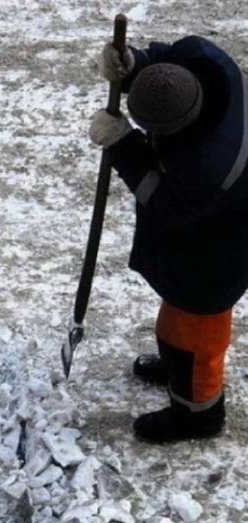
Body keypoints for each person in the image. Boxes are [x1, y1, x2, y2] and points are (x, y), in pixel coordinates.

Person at [89, 35, 248, 443]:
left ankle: (198, 414)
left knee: (196, 332)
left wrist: (125, 146)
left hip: (227, 248)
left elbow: (166, 202)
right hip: (207, 232)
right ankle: (176, 365)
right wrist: (133, 63)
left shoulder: (207, 167)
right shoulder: (204, 61)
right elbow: (166, 63)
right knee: (177, 310)